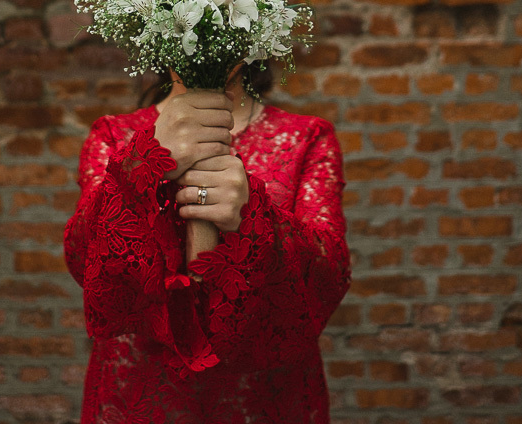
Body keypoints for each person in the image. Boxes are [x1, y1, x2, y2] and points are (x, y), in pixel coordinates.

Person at [62, 53, 351, 423]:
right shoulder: (114, 134)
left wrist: (251, 215)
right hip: (142, 394)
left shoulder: (305, 137)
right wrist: (144, 162)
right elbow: (85, 264)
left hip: (264, 398)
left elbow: (330, 274)